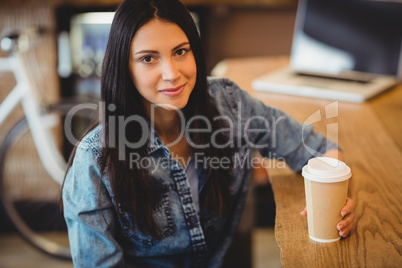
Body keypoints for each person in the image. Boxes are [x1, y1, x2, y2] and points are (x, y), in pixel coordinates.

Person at [62, 0, 356, 267]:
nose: (172, 73)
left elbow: (317, 148)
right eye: (149, 58)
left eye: (180, 51)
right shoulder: (94, 160)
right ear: (124, 68)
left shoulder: (229, 102)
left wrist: (338, 203)